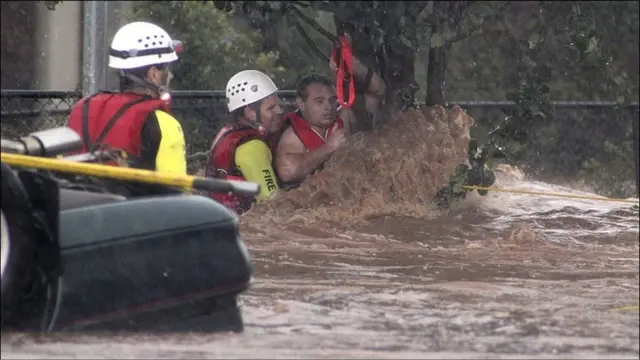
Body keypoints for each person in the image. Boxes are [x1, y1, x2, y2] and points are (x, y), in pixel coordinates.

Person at [67, 21, 187, 179]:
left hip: (79, 201)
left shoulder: (82, 108)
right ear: (153, 74)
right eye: (166, 69)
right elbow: (178, 192)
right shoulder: (166, 125)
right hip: (134, 203)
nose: (170, 76)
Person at [274, 56, 386, 188]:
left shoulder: (345, 117)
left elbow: (378, 91)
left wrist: (356, 67)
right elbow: (287, 172)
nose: (328, 107)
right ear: (301, 104)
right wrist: (329, 147)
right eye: (319, 101)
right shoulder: (293, 135)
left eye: (332, 100)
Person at [204, 70, 284, 214]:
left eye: (277, 105)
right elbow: (273, 202)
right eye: (271, 108)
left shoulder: (227, 132)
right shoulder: (252, 147)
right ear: (250, 113)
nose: (279, 111)